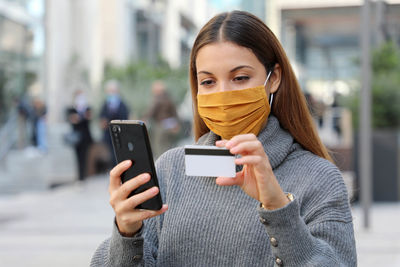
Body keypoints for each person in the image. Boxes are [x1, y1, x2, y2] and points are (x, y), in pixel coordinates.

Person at [91, 11, 356, 266]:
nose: (223, 94)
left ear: (273, 78)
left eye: (240, 78)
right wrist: (126, 232)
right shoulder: (171, 170)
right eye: (208, 82)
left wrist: (277, 207)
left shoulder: (319, 178)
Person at [142, 80, 180, 158]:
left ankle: (162, 164)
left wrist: (144, 119)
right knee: (169, 145)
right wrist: (177, 124)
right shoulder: (169, 98)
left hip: (161, 126)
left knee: (159, 146)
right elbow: (175, 112)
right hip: (170, 126)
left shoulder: (157, 99)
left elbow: (151, 111)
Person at [99, 80, 129, 165]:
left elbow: (125, 117)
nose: (111, 93)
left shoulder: (123, 104)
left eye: (113, 91)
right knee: (111, 154)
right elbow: (101, 116)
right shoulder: (105, 104)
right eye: (110, 91)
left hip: (120, 133)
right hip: (108, 133)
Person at [66, 89, 93, 181]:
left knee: (84, 157)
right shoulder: (71, 109)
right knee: (78, 158)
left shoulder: (87, 108)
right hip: (76, 138)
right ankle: (80, 177)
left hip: (86, 137)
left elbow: (89, 119)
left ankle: (84, 176)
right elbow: (72, 120)